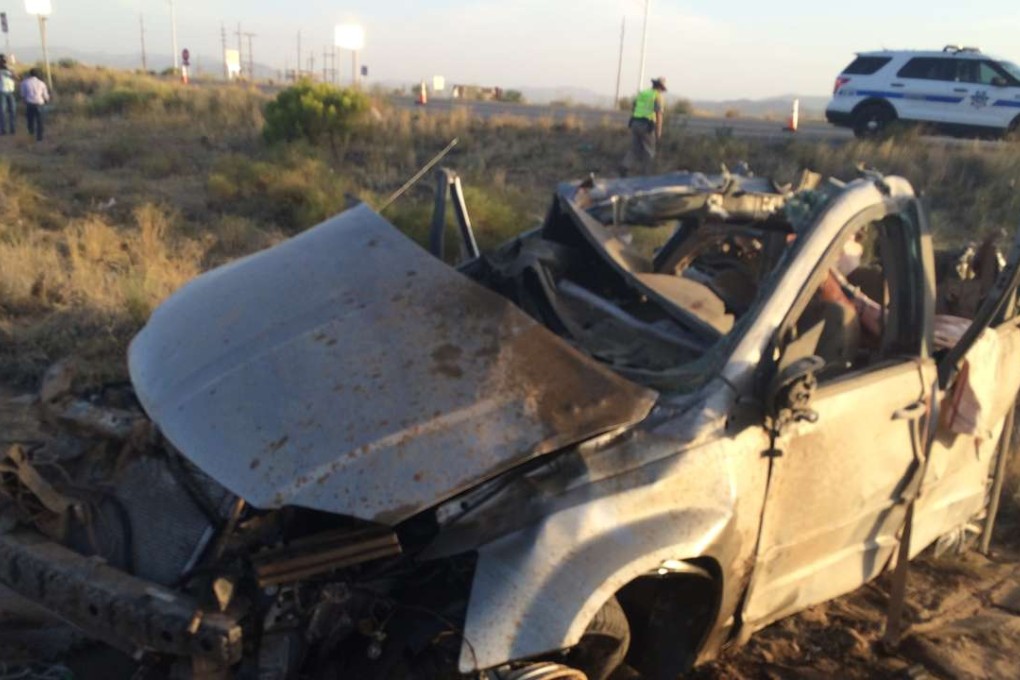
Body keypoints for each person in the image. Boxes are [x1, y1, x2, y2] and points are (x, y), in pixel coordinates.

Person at [621, 77, 667, 176]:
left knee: (635, 149)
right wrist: (658, 132)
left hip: (635, 123)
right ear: (660, 88)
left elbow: (634, 106)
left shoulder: (643, 93)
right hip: (646, 125)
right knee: (649, 151)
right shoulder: (657, 96)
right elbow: (659, 114)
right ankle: (647, 175)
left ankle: (625, 167)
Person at [20, 68, 49, 142]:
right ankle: (39, 138)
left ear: (30, 74)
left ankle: (31, 136)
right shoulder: (42, 83)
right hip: (39, 103)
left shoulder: (25, 82)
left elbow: (23, 95)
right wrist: (47, 100)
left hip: (30, 104)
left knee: (30, 121)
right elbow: (46, 96)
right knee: (40, 122)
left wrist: (24, 102)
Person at [0, 56, 16, 135]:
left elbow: (16, 77)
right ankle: (3, 129)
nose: (3, 62)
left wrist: (10, 70)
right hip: (2, 92)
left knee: (12, 111)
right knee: (2, 111)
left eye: (4, 60)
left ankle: (12, 128)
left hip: (10, 91)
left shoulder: (10, 69)